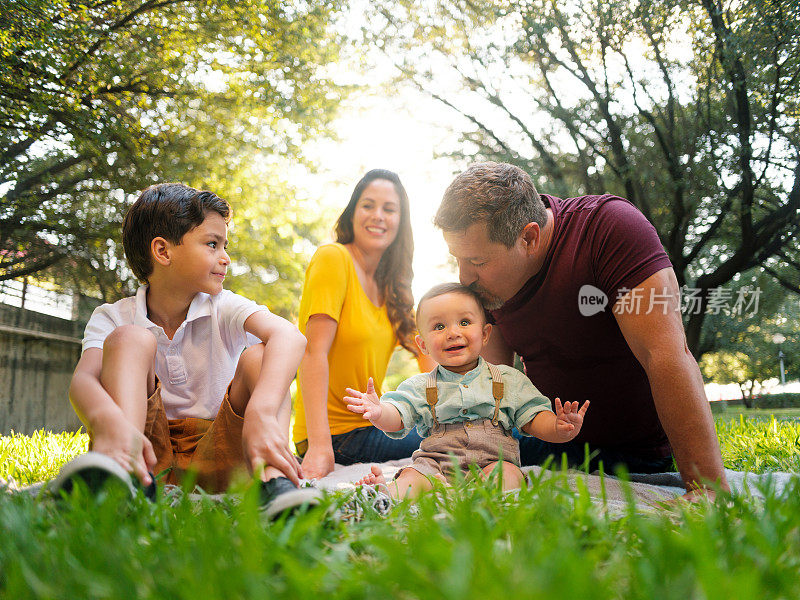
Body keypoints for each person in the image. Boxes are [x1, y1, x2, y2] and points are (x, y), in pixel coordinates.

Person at [433, 162, 729, 498]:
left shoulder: (608, 228)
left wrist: (707, 489)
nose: (464, 277)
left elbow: (665, 354)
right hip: (547, 440)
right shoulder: (487, 287)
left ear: (529, 237)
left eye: (478, 262)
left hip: (631, 457)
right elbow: (488, 389)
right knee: (414, 441)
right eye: (458, 259)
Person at [67, 183, 318, 514]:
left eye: (225, 245)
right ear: (163, 251)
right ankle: (125, 475)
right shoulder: (112, 316)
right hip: (147, 455)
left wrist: (260, 412)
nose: (225, 258)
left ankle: (274, 484)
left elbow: (291, 337)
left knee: (261, 356)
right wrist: (107, 421)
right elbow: (83, 381)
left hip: (225, 453)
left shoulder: (223, 306)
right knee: (129, 339)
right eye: (212, 244)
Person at [344, 283, 589, 499]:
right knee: (413, 477)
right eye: (439, 326)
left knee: (507, 476)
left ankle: (476, 498)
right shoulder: (420, 386)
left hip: (494, 462)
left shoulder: (506, 379)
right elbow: (398, 415)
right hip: (436, 466)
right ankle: (385, 494)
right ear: (423, 345)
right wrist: (378, 412)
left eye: (464, 322)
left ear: (484, 334)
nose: (453, 333)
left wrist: (558, 428)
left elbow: (532, 416)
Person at [293, 169, 435, 480]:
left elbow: (430, 355)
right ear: (353, 213)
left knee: (479, 432)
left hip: (373, 423)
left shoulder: (393, 289)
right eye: (368, 205)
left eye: (389, 208)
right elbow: (311, 353)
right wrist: (319, 447)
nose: (378, 216)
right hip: (337, 437)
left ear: (401, 221)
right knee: (498, 441)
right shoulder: (334, 258)